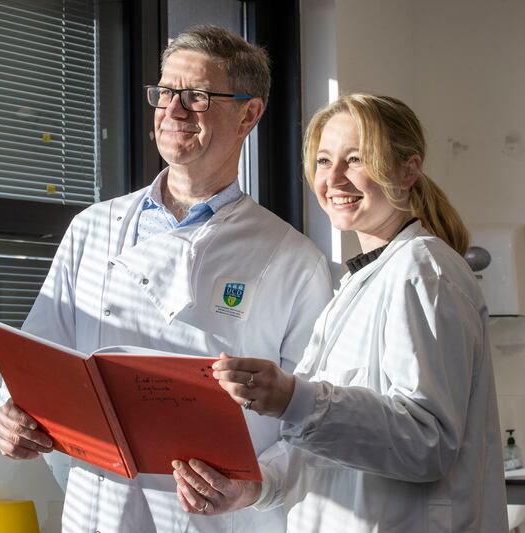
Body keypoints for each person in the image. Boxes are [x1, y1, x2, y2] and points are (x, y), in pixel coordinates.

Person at [0, 25, 333, 533]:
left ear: (249, 114)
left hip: (217, 519)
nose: (173, 111)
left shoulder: (292, 258)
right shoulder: (93, 228)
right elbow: (37, 362)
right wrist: (12, 417)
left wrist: (256, 485)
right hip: (98, 508)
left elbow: (314, 423)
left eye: (196, 96)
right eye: (165, 93)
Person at [172, 93, 508, 532]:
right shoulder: (357, 282)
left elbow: (428, 441)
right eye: (324, 160)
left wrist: (295, 398)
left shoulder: (424, 270)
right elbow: (329, 448)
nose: (334, 179)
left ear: (409, 169)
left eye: (356, 159)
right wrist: (256, 486)